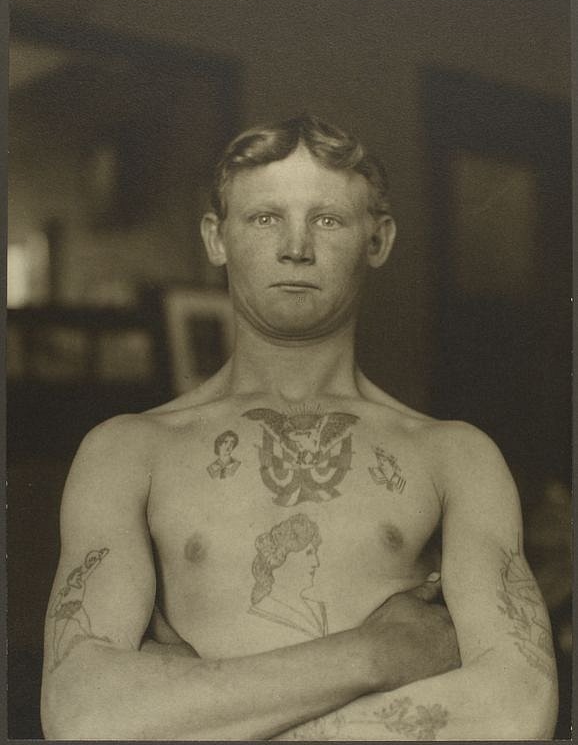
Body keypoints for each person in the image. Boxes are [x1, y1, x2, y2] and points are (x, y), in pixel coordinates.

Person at [40, 113, 557, 740]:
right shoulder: (125, 451)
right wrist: (374, 655)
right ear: (216, 238)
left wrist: (183, 715)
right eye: (265, 218)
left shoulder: (456, 456)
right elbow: (79, 714)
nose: (295, 247)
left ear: (378, 240)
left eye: (328, 219)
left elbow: (518, 707)